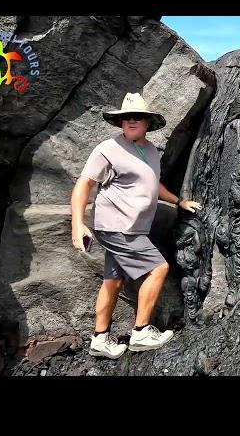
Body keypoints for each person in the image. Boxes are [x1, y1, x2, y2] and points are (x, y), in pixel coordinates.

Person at [71, 92, 202, 359]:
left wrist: (179, 201)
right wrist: (77, 223)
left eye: (138, 117)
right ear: (120, 122)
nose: (131, 121)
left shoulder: (151, 151)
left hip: (132, 228)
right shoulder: (107, 149)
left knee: (113, 282)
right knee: (158, 268)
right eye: (126, 117)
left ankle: (99, 339)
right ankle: (141, 332)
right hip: (118, 227)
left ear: (147, 123)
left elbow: (153, 186)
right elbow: (83, 184)